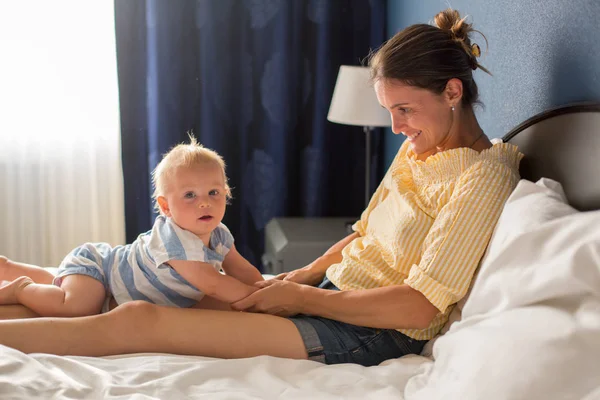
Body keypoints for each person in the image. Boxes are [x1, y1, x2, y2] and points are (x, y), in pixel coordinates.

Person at [0, 9, 522, 366]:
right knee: (122, 297)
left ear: (452, 91)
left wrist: (304, 299)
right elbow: (362, 234)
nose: (396, 128)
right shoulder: (419, 150)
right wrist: (303, 276)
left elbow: (420, 307)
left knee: (137, 321)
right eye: (390, 112)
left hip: (370, 331)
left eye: (403, 110)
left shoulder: (483, 176)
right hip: (329, 296)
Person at [0, 137, 263, 317]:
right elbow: (214, 284)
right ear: (166, 206)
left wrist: (265, 288)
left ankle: (7, 268)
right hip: (101, 271)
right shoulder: (173, 241)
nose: (204, 203)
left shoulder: (219, 234)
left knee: (66, 283)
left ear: (227, 194)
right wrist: (259, 301)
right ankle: (18, 288)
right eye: (190, 195)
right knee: (75, 305)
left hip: (109, 283)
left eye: (214, 192)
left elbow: (240, 268)